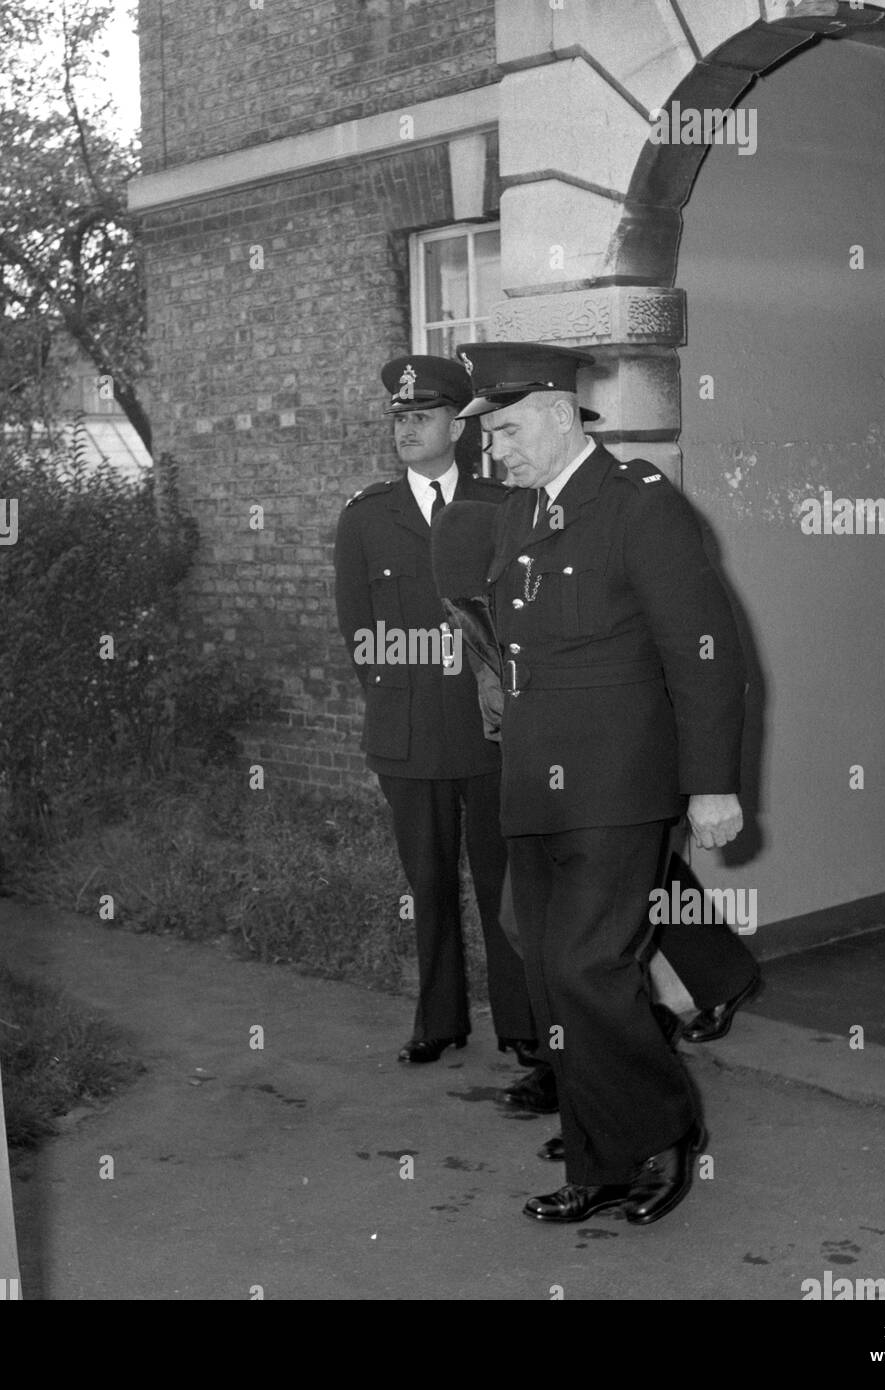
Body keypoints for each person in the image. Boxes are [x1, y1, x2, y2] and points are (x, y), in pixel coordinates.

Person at [453, 339, 750, 1225]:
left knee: (588, 964)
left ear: (553, 413)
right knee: (546, 965)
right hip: (535, 782)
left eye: (501, 430)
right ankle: (598, 1152)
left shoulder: (639, 507)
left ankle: (661, 1134)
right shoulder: (520, 513)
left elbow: (705, 655)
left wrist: (710, 785)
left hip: (619, 785)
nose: (490, 451)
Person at [430, 498, 762, 1166]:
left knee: (583, 939)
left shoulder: (591, 550)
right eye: (460, 603)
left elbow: (691, 665)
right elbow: (493, 678)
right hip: (551, 779)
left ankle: (617, 1088)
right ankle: (601, 1083)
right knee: (574, 926)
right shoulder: (478, 591)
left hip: (625, 770)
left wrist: (699, 782)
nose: (469, 610)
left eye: (475, 597)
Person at [332, 354, 554, 1114]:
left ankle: (523, 1027)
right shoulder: (366, 515)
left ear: (454, 427)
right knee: (427, 884)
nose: (406, 429)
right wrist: (396, 703)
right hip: (409, 735)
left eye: (421, 417)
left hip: (491, 733)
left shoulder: (503, 505)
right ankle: (439, 1020)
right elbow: (357, 632)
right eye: (398, 418)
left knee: (503, 885)